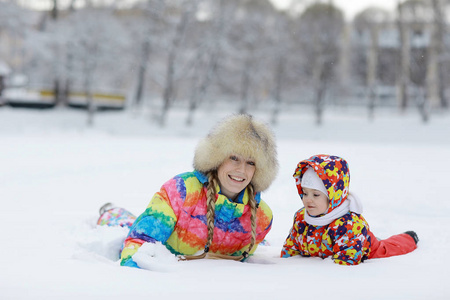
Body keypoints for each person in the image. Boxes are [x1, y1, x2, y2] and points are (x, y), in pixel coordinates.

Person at [97, 114, 278, 268]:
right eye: (234, 158)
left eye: (251, 162)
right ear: (218, 158)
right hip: (165, 258)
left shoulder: (261, 217)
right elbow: (139, 242)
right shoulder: (181, 191)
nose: (241, 169)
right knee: (126, 224)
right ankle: (111, 211)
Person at [281, 154, 418, 266]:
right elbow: (291, 247)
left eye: (316, 195)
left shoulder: (348, 226)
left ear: (333, 196)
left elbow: (346, 264)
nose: (308, 200)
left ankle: (409, 238)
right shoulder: (301, 218)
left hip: (363, 249)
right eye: (305, 193)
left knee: (386, 247)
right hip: (324, 252)